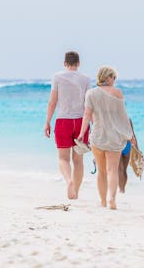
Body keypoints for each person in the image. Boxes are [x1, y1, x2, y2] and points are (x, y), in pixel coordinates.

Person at [76, 66, 134, 209]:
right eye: (114, 78)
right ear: (108, 78)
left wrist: (82, 133)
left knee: (101, 171)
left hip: (98, 137)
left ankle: (102, 201)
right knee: (112, 170)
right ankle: (111, 200)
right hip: (114, 137)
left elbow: (87, 115)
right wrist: (129, 135)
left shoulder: (90, 93)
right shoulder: (118, 93)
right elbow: (122, 116)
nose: (114, 81)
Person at [44, 51, 90, 199]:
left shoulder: (58, 77)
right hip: (81, 122)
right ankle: (75, 192)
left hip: (63, 121)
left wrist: (47, 121)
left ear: (65, 63)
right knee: (78, 161)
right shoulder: (86, 79)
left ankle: (69, 181)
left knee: (63, 159)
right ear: (78, 64)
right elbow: (89, 105)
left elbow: (52, 102)